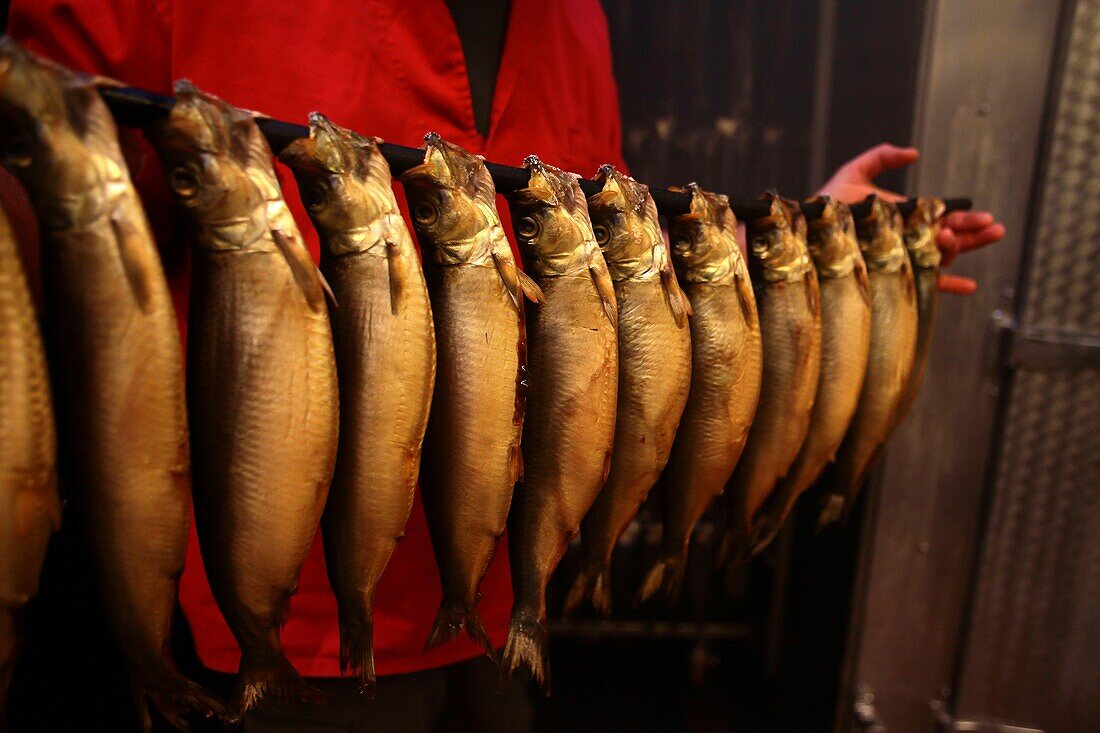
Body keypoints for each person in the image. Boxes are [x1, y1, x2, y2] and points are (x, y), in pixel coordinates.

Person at [4, 1, 1003, 730]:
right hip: (280, 617)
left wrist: (814, 252)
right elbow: (63, 227)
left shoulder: (573, 19)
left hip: (499, 594)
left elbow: (601, 273)